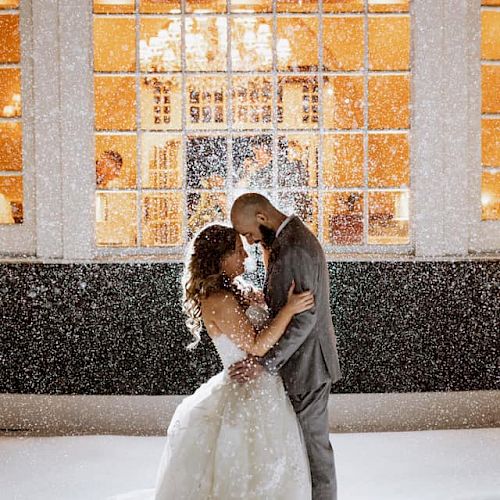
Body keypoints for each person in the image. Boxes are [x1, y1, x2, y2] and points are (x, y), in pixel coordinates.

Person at [110, 224, 314, 500]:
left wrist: (262, 303)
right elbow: (257, 345)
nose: (245, 257)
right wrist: (290, 309)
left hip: (264, 387)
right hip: (247, 394)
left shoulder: (235, 290)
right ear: (221, 258)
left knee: (273, 467)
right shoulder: (219, 300)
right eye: (239, 251)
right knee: (249, 469)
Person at [230, 193, 342, 500]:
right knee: (302, 452)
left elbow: (304, 320)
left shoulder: (294, 247)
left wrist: (265, 364)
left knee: (314, 455)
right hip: (300, 364)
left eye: (249, 233)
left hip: (308, 366)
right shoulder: (285, 241)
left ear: (262, 217)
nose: (250, 242)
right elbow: (286, 304)